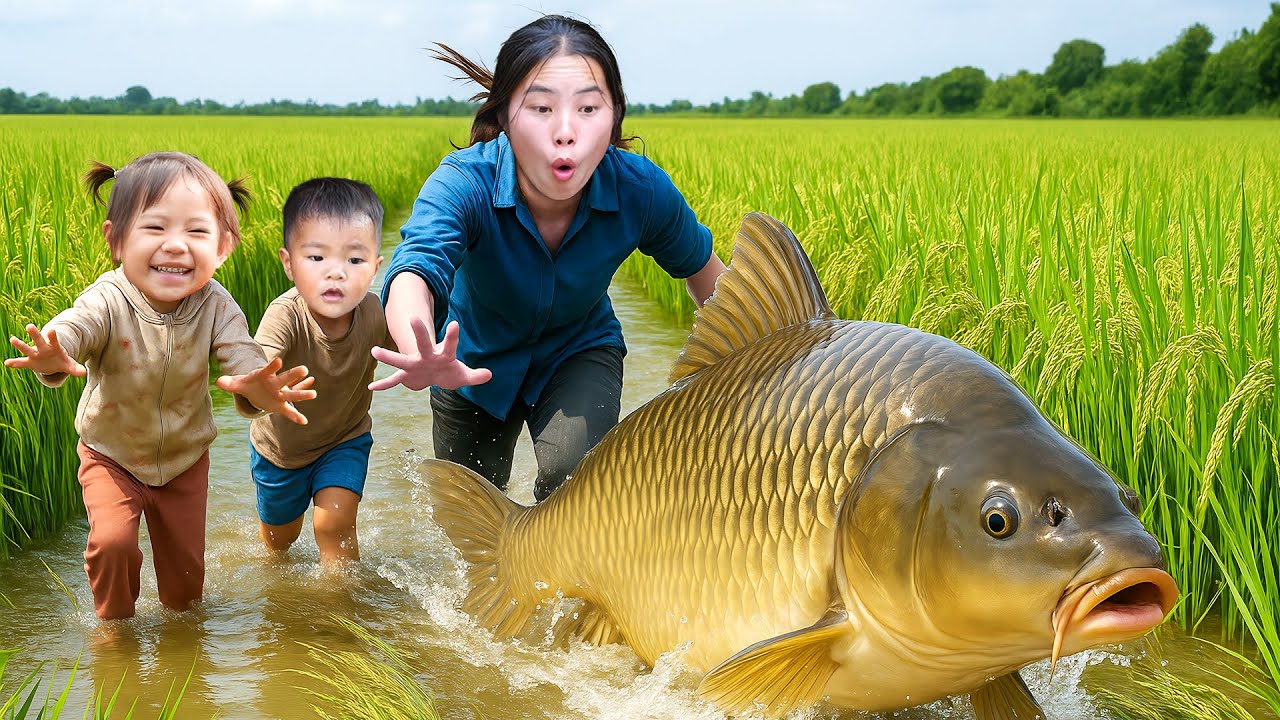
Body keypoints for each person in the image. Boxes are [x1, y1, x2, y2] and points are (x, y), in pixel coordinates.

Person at [371, 14, 727, 502]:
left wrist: (766, 363)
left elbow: (709, 278)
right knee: (469, 513)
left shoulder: (640, 190)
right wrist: (417, 347)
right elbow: (416, 266)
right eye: (540, 108)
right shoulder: (464, 182)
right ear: (503, 116)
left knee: (576, 486)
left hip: (577, 349)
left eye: (588, 109)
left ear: (614, 117)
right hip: (468, 361)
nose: (565, 132)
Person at [3, 151, 315, 620]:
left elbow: (241, 352)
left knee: (186, 590)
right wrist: (56, 350)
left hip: (185, 462)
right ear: (116, 239)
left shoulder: (216, 303)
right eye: (155, 229)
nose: (176, 246)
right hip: (111, 453)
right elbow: (76, 325)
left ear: (222, 247)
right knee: (112, 545)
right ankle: (114, 632)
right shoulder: (109, 297)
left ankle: (182, 648)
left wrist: (256, 385)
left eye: (196, 232)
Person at [248, 177, 388, 565]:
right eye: (316, 258)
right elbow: (257, 364)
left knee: (334, 528)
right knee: (280, 542)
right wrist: (257, 386)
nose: (336, 273)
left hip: (345, 438)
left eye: (354, 260)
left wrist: (430, 365)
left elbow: (412, 351)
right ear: (289, 264)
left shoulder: (375, 312)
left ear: (375, 268)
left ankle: (340, 614)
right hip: (281, 450)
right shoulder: (285, 315)